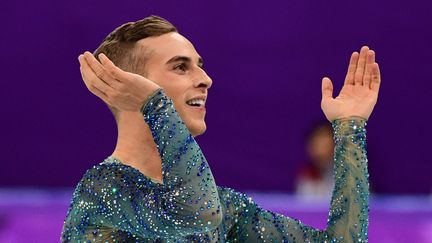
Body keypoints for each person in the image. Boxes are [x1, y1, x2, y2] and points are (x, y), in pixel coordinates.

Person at [61, 15, 381, 242]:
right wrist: (154, 102)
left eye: (199, 65)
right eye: (180, 66)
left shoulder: (224, 207)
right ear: (127, 85)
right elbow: (196, 213)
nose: (205, 78)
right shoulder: (102, 191)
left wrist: (349, 126)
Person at [295, 121, 335, 199]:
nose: (321, 151)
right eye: (316, 145)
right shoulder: (305, 174)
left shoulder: (347, 176)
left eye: (325, 146)